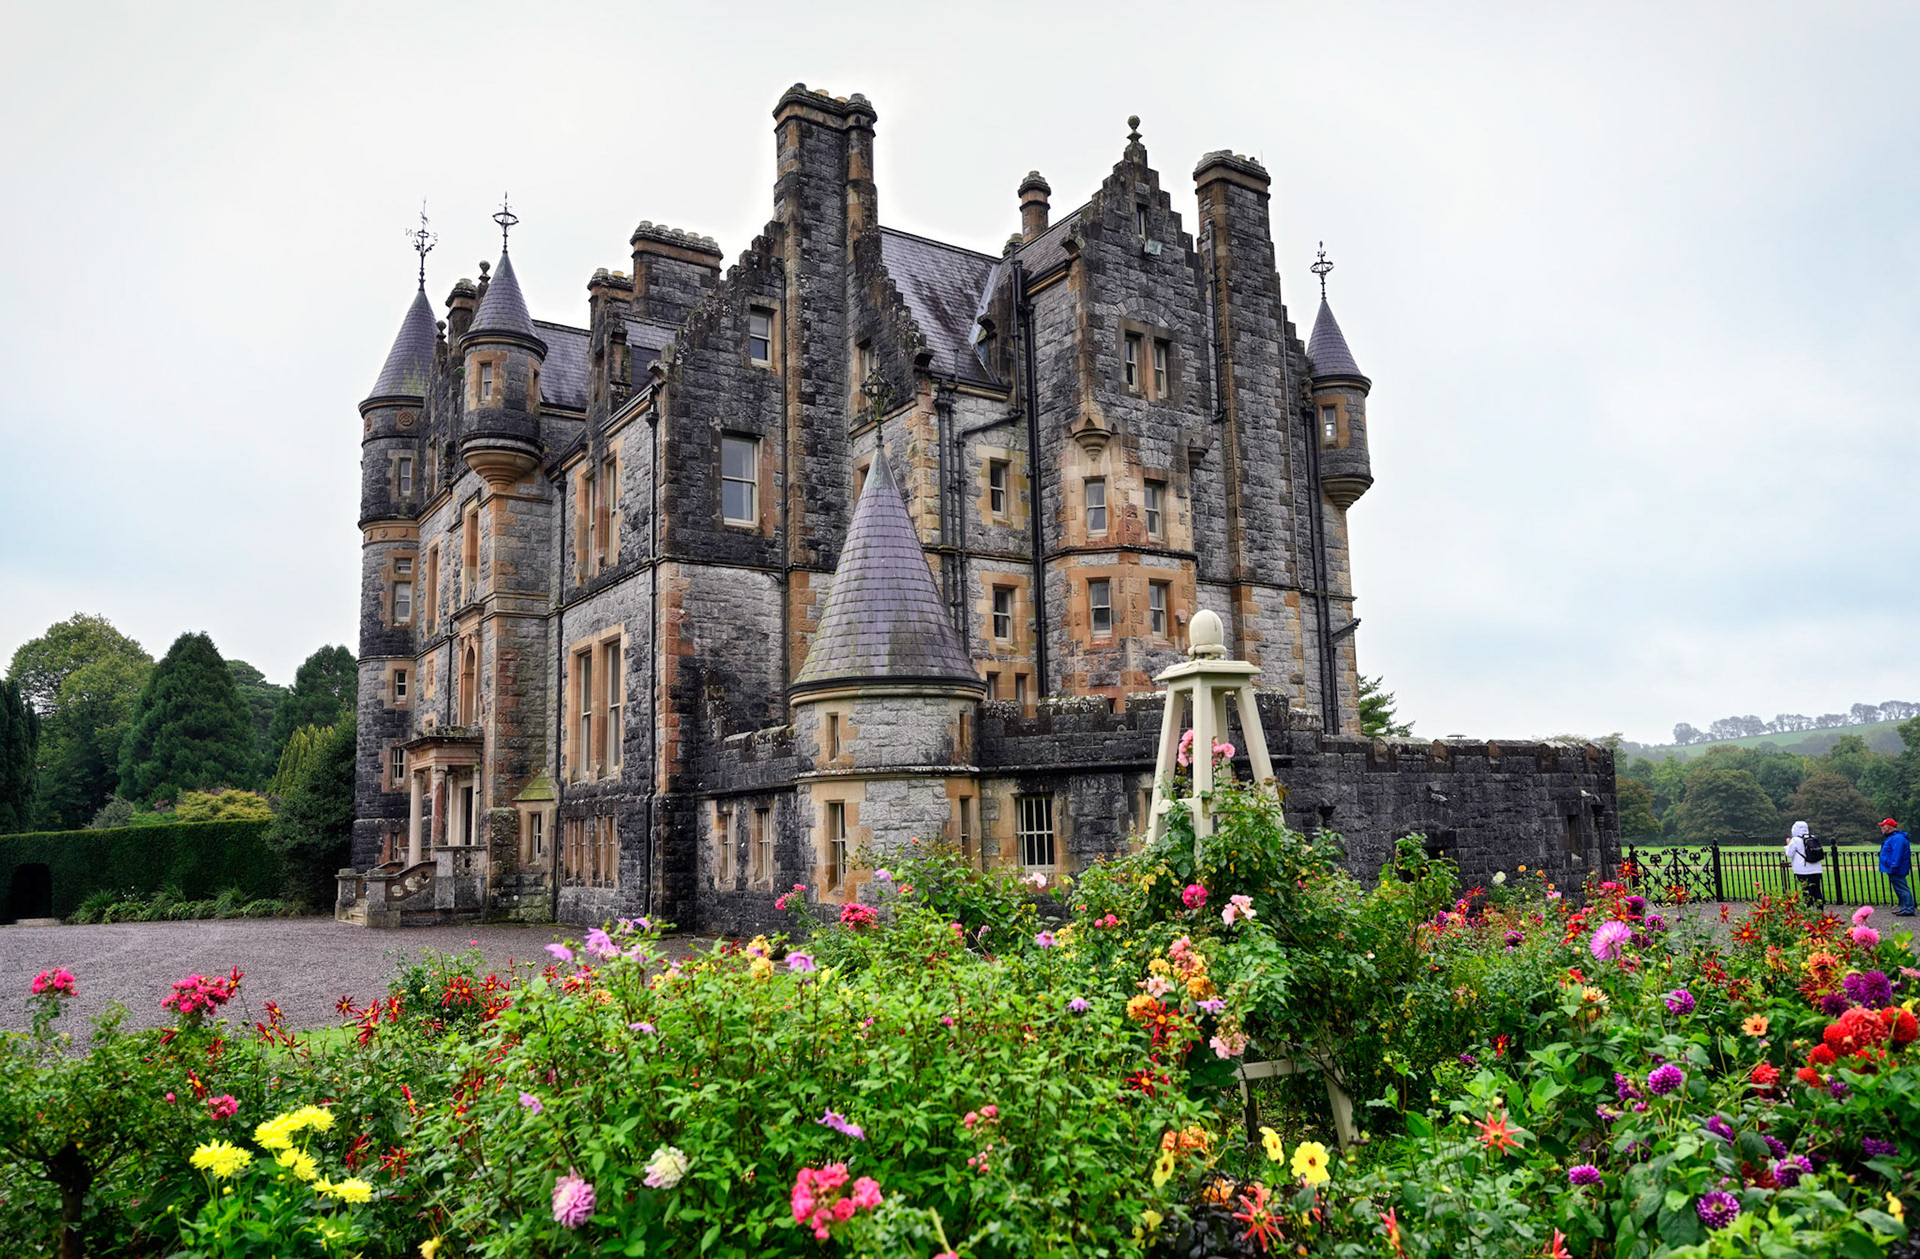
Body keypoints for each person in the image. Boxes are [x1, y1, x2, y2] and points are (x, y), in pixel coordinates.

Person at [1879, 817, 1914, 917]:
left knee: (1902, 889)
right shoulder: (1895, 837)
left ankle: (1908, 908)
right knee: (1899, 889)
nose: (1882, 828)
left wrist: (1893, 866)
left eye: (1883, 826)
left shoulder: (1897, 838)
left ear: (1889, 827)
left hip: (1896, 869)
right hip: (1893, 868)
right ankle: (1905, 907)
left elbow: (1897, 854)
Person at [1784, 820, 1823, 908]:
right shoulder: (1813, 838)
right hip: (1816, 869)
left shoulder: (1795, 840)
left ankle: (1808, 909)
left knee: (1806, 891)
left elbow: (1789, 854)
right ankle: (1820, 909)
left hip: (1802, 870)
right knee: (1817, 891)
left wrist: (1788, 845)